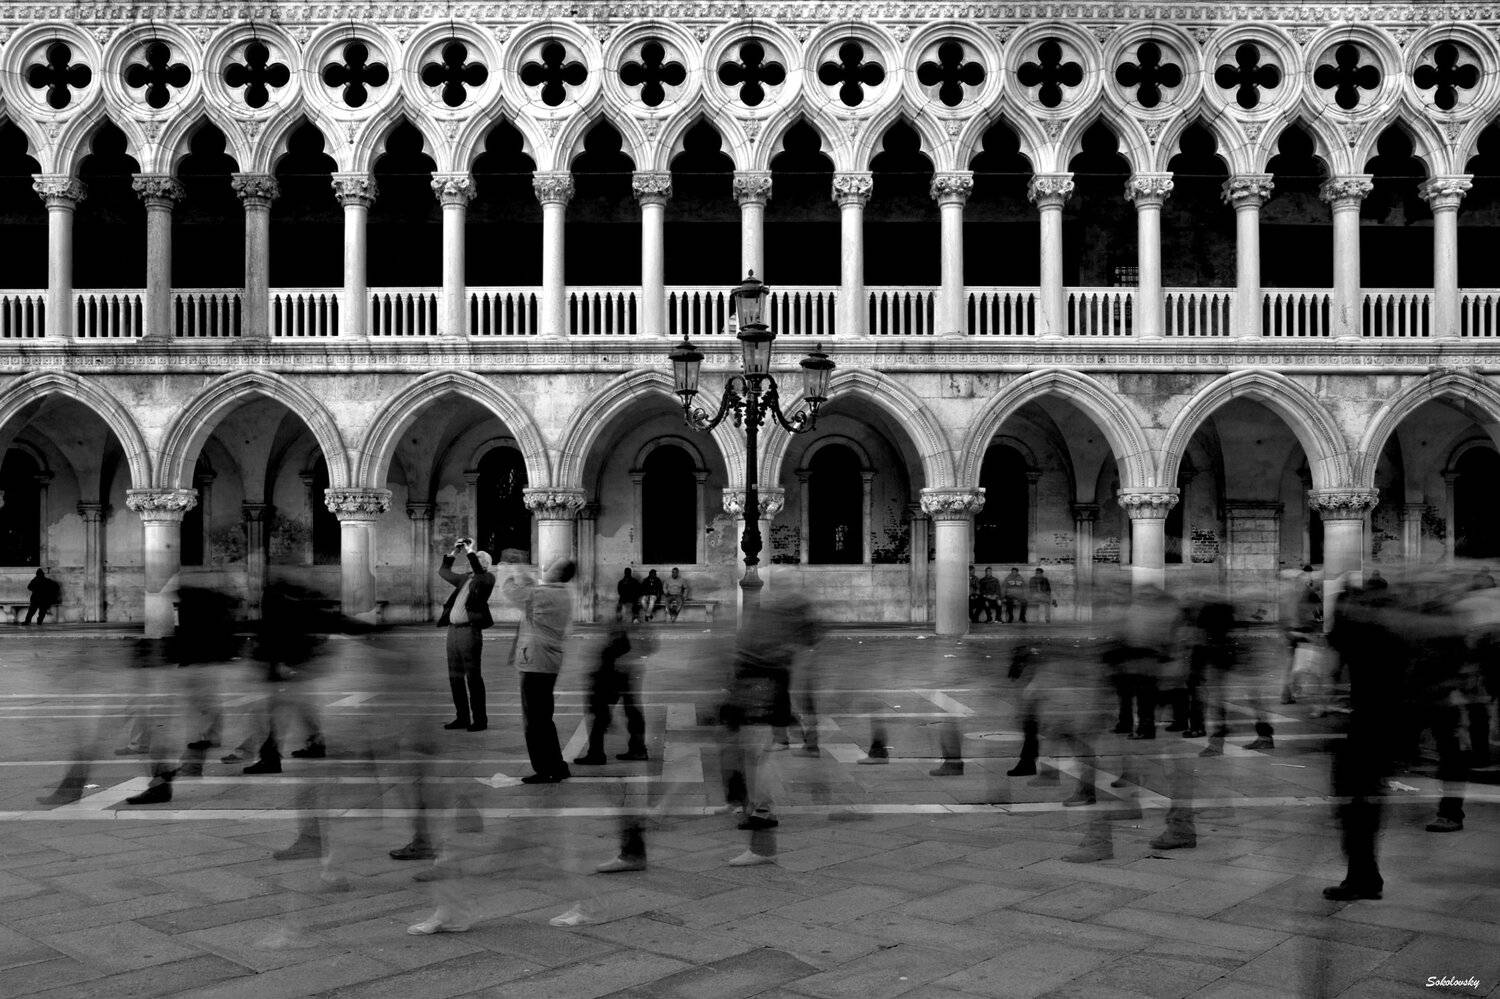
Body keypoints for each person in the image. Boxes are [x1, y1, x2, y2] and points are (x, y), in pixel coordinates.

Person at [503, 557, 576, 783]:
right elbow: (530, 592)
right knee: (544, 718)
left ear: (558, 573)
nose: (547, 567)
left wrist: (512, 571)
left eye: (552, 566)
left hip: (536, 662)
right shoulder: (559, 593)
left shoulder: (544, 594)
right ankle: (557, 765)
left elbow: (514, 592)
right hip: (546, 662)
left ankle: (545, 769)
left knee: (534, 721)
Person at [438, 539, 495, 733]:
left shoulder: (486, 579)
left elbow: (479, 573)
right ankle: (461, 717)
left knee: (473, 677)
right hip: (453, 632)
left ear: (484, 564)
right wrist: (455, 551)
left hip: (470, 632)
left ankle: (480, 720)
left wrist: (471, 551)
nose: (470, 562)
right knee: (455, 677)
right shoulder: (465, 579)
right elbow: (443, 572)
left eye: (476, 560)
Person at [574, 620, 650, 765]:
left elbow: (645, 640)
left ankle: (597, 753)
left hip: (616, 666)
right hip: (621, 665)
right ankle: (637, 749)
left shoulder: (629, 612)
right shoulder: (627, 612)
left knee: (602, 710)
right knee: (629, 709)